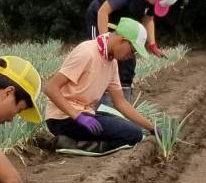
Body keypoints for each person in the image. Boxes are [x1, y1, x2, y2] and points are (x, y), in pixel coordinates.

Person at [42, 17, 160, 153]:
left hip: (84, 113)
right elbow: (50, 88)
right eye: (132, 51)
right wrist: (78, 116)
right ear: (122, 40)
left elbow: (120, 103)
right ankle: (79, 145)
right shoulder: (87, 53)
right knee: (134, 134)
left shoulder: (112, 62)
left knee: (127, 126)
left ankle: (74, 140)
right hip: (63, 119)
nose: (131, 56)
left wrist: (152, 128)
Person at [85, 0, 179, 102]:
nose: (155, 6)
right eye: (155, 3)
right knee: (103, 57)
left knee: (128, 56)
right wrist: (105, 40)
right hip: (99, 19)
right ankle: (99, 98)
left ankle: (124, 97)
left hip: (122, 24)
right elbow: (103, 12)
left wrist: (152, 44)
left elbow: (148, 19)